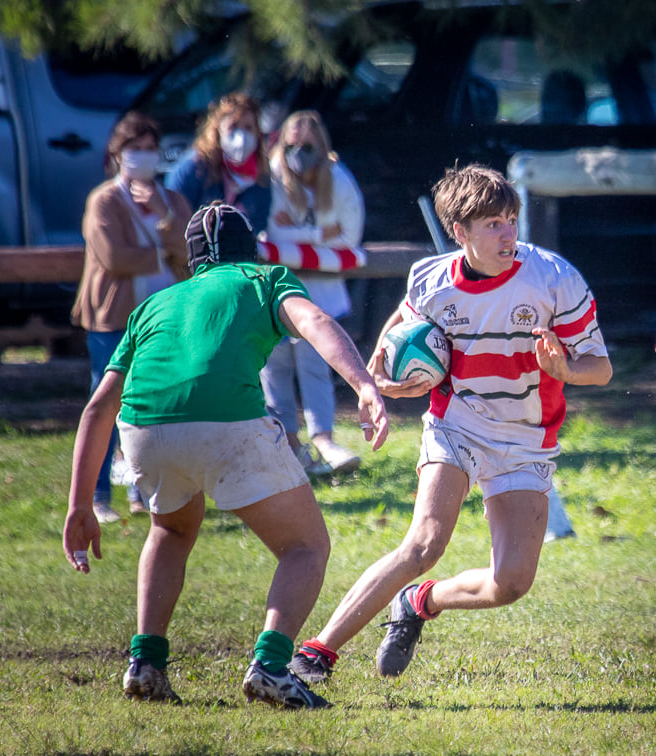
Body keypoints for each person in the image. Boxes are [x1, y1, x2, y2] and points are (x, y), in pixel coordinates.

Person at [287, 164, 612, 685]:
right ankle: (316, 653)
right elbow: (402, 326)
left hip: (527, 437)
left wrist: (566, 369)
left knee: (511, 583)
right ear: (459, 233)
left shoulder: (554, 278)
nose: (508, 234)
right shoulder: (432, 278)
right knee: (423, 543)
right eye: (492, 225)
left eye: (511, 220)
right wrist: (381, 380)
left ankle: (420, 601)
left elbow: (602, 368)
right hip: (455, 422)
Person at [62, 203, 390, 709]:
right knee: (305, 547)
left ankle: (146, 661)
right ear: (251, 250)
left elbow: (97, 408)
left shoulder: (157, 302)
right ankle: (272, 666)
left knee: (170, 530)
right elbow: (316, 320)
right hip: (228, 422)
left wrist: (80, 505)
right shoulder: (265, 278)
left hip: (143, 427)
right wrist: (363, 383)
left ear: (192, 263)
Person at [71, 111, 192, 523]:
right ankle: (97, 497)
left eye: (149, 149)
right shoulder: (104, 199)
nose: (142, 157)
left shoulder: (172, 200)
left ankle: (147, 493)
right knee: (107, 406)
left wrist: (163, 216)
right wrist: (163, 243)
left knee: (158, 411)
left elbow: (191, 251)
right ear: (116, 154)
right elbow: (114, 257)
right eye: (133, 150)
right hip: (114, 322)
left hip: (168, 322)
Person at [260, 110, 365, 474]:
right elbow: (267, 236)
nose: (299, 153)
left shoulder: (337, 177)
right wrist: (321, 237)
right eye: (291, 145)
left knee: (314, 362)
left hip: (320, 293)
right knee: (274, 365)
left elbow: (350, 239)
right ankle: (289, 444)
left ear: (322, 146)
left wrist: (296, 241)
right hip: (274, 289)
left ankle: (323, 439)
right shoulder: (272, 176)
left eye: (308, 146)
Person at [165, 92, 271, 233]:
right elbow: (175, 222)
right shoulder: (193, 168)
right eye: (233, 127)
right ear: (217, 130)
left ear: (258, 132)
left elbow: (259, 226)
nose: (241, 137)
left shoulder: (260, 176)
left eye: (248, 127)